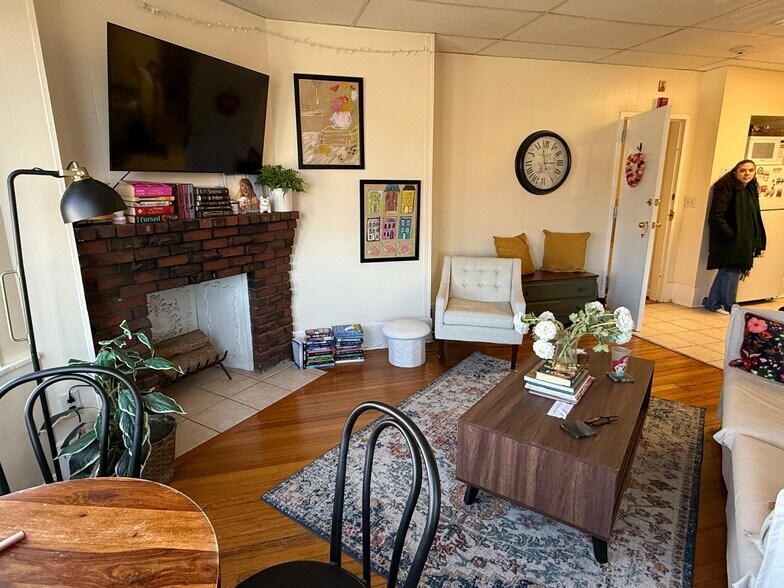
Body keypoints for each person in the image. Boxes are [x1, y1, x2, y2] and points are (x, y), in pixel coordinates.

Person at [703, 159, 766, 314]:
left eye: (751, 170)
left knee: (726, 271)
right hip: (729, 240)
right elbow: (716, 216)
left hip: (741, 240)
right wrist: (732, 234)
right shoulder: (726, 189)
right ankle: (729, 305)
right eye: (743, 170)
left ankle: (712, 303)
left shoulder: (750, 189)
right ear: (735, 172)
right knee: (730, 271)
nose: (747, 174)